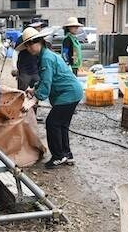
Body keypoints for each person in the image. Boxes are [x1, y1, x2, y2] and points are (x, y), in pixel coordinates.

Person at [18, 27, 83, 168]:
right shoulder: (44, 56)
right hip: (72, 93)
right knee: (62, 125)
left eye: (31, 44)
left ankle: (58, 156)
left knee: (52, 123)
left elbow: (46, 84)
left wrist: (34, 100)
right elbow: (44, 78)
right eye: (27, 45)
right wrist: (34, 88)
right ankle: (67, 154)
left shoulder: (46, 58)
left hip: (68, 94)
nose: (29, 48)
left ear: (40, 42)